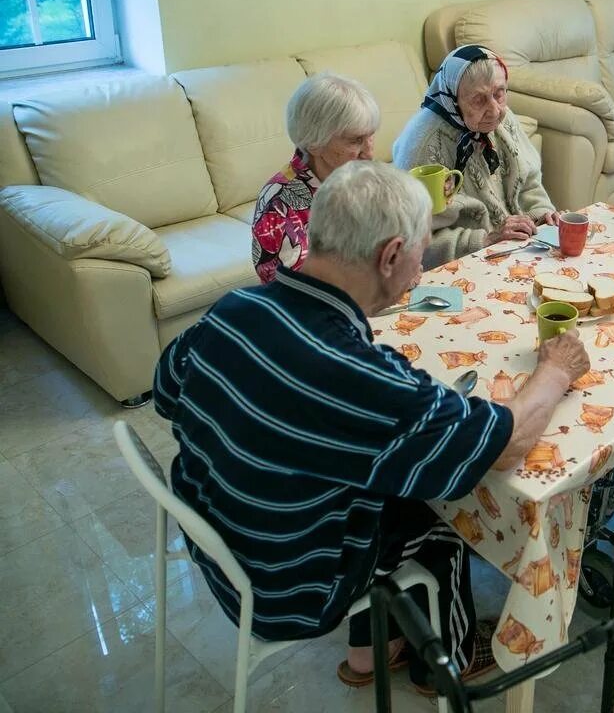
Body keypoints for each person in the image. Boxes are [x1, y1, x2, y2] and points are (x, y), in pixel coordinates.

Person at [154, 161, 591, 694]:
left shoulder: (235, 306)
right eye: (420, 250)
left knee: (378, 469)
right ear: (390, 256)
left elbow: (167, 390)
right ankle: (446, 663)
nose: (419, 268)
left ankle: (370, 652)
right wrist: (555, 370)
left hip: (219, 531)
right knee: (445, 513)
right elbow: (506, 443)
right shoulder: (358, 376)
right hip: (285, 587)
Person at [394, 44, 560, 267]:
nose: (495, 110)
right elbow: (413, 241)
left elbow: (528, 182)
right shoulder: (421, 145)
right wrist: (486, 240)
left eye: (499, 94)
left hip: (516, 247)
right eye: (479, 100)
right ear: (453, 98)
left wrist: (541, 214)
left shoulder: (503, 118)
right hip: (464, 263)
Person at [251, 72, 379, 283]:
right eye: (355, 141)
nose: (369, 153)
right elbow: (302, 292)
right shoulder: (279, 205)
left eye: (370, 135)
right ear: (314, 143)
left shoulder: (355, 176)